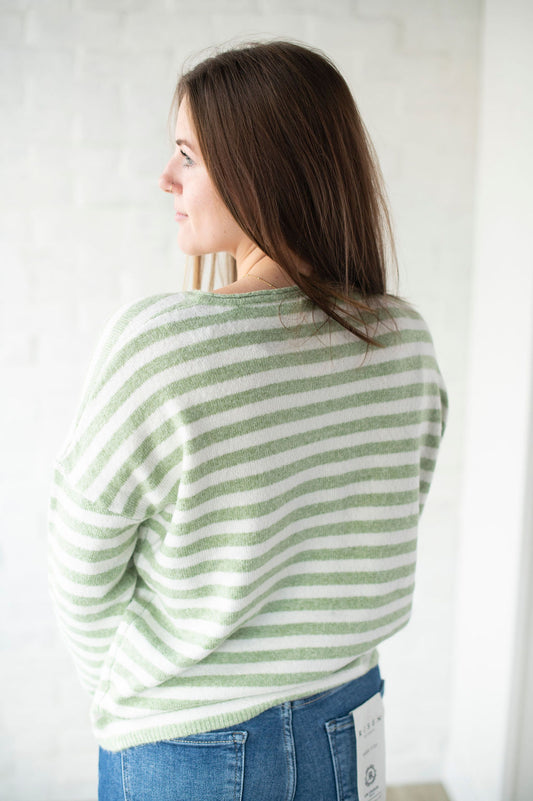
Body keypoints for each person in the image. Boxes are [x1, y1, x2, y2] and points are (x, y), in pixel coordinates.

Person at [48, 40, 447, 801]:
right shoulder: (404, 338)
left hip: (188, 745)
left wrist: (137, 693)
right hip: (346, 720)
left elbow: (79, 559)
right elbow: (388, 511)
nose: (165, 178)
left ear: (260, 169)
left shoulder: (162, 344)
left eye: (187, 156)